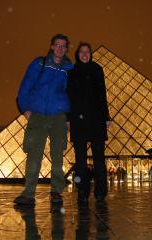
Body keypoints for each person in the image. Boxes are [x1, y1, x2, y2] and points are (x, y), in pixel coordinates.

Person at [14, 34, 73, 206]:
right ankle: (28, 193)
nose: (60, 48)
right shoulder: (39, 64)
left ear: (66, 49)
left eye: (63, 46)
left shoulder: (70, 69)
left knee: (57, 157)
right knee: (34, 155)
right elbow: (25, 86)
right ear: (52, 46)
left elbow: (72, 95)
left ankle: (56, 191)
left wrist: (68, 117)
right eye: (57, 45)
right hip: (37, 115)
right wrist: (25, 110)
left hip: (59, 116)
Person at [67, 42, 111, 204]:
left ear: (91, 54)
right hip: (78, 120)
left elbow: (102, 95)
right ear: (77, 54)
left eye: (87, 52)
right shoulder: (71, 72)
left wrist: (107, 117)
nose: (85, 54)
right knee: (80, 160)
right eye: (81, 52)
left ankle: (100, 192)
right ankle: (82, 192)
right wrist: (67, 119)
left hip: (97, 119)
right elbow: (68, 97)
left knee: (99, 158)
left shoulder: (98, 70)